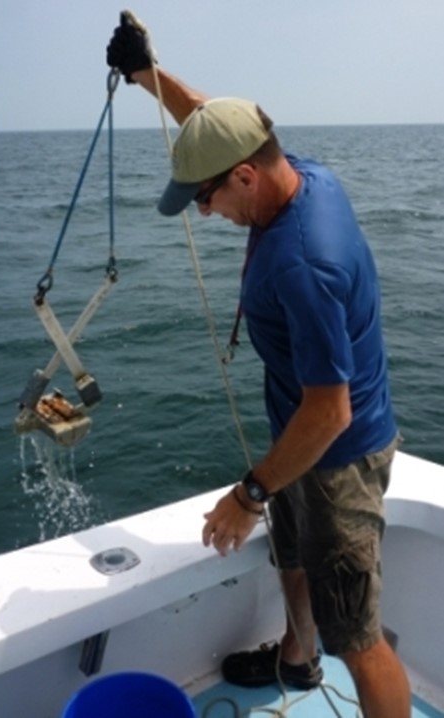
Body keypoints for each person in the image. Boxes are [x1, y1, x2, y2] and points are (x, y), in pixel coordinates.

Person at [106, 12, 410, 718]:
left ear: (243, 177)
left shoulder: (301, 265)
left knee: (360, 638)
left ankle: (327, 656)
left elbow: (329, 411)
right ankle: (296, 660)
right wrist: (146, 74)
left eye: (206, 198)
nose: (205, 213)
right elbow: (215, 122)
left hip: (338, 456)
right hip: (301, 441)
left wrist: (246, 496)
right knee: (292, 556)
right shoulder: (298, 172)